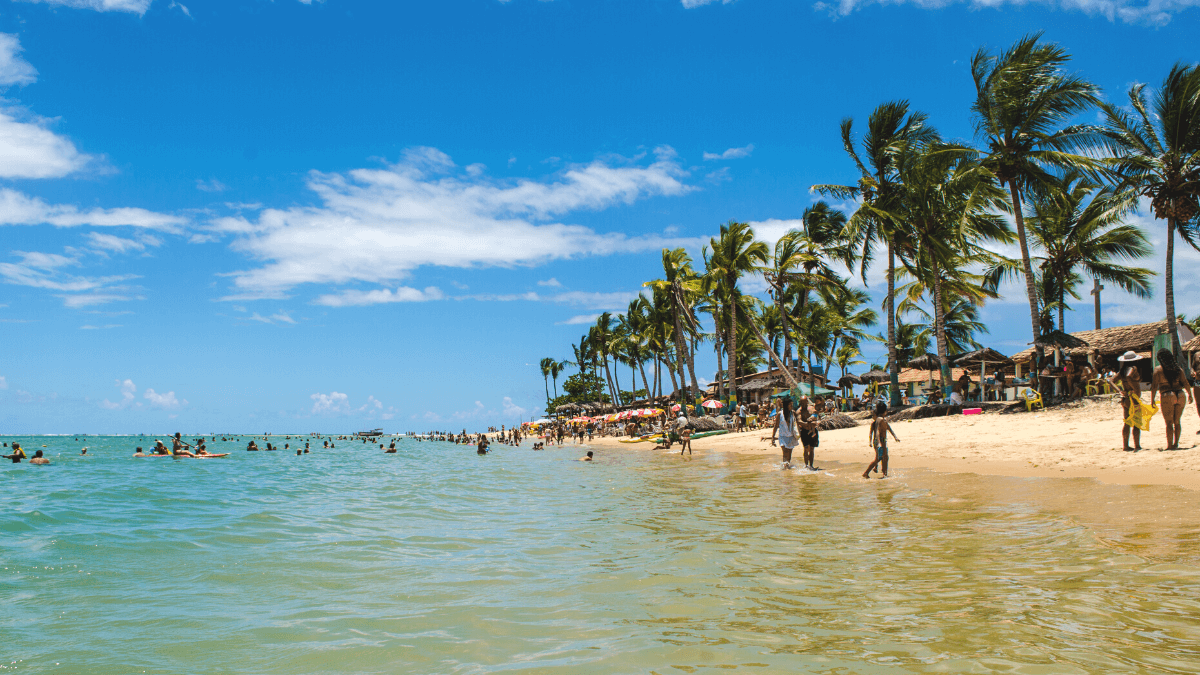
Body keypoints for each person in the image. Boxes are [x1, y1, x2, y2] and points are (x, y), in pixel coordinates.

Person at [1151, 348, 1193, 450]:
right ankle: (1176, 444)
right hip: (1180, 394)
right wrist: (1190, 395)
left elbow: (1154, 386)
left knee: (1169, 423)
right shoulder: (1178, 369)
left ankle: (1169, 446)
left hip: (1167, 395)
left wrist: (1152, 400)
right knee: (1177, 421)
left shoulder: (1158, 370)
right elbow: (1185, 383)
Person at [1110, 351, 1145, 452]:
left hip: (1125, 399)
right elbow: (1129, 376)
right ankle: (1137, 446)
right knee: (1136, 423)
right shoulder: (1133, 368)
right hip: (1133, 399)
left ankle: (1126, 445)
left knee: (1127, 423)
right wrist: (1134, 389)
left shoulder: (1122, 370)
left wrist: (1120, 391)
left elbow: (1111, 381)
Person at [864, 401, 899, 479]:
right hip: (881, 441)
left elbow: (889, 428)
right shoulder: (881, 420)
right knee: (879, 458)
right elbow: (877, 432)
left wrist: (895, 437)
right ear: (885, 411)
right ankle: (866, 473)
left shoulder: (881, 419)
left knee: (884, 457)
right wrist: (880, 442)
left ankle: (884, 474)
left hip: (881, 441)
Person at [770, 396, 799, 469]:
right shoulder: (780, 414)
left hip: (791, 436)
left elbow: (798, 423)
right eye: (790, 405)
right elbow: (776, 426)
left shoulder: (793, 413)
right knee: (785, 453)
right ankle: (785, 468)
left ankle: (787, 467)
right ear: (786, 405)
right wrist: (773, 437)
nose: (792, 406)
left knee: (789, 454)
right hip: (782, 437)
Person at [797, 397, 819, 470]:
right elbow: (799, 421)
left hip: (812, 431)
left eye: (805, 402)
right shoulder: (799, 411)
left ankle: (811, 465)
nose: (804, 404)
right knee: (806, 449)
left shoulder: (811, 408)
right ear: (800, 402)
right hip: (804, 431)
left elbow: (816, 414)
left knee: (812, 449)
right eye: (802, 402)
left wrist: (812, 418)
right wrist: (808, 424)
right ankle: (806, 465)